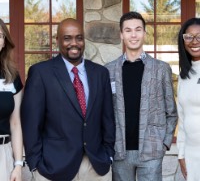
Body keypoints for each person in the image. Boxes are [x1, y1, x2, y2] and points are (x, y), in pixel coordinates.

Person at [21, 18, 115, 181]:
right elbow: (31, 123)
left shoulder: (100, 73)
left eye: (79, 37)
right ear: (57, 40)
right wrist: (35, 164)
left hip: (96, 167)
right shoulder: (41, 73)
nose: (74, 43)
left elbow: (107, 118)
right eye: (67, 38)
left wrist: (109, 154)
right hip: (53, 168)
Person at [105, 11, 178, 181]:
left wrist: (164, 142)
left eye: (138, 29)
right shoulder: (108, 70)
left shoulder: (161, 69)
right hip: (120, 150)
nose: (133, 35)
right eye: (128, 30)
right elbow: (105, 111)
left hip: (152, 150)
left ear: (145, 33)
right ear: (121, 34)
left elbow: (171, 111)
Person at [177, 17, 200, 181]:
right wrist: (181, 153)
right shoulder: (183, 76)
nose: (194, 41)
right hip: (192, 154)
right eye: (189, 37)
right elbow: (182, 118)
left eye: (199, 36)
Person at [0, 18, 23, 181]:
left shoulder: (12, 76)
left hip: (4, 153)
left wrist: (18, 164)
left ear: (4, 43)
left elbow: (15, 123)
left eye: (0, 35)